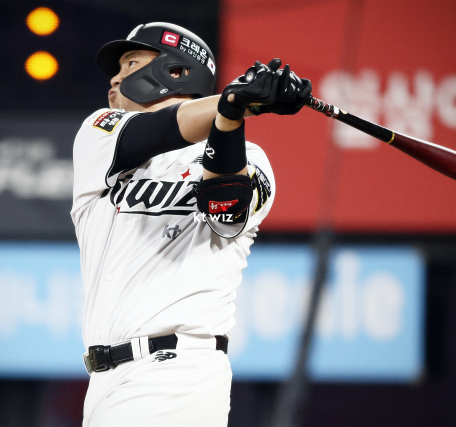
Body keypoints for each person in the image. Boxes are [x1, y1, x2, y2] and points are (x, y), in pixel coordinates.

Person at [71, 22, 311, 427]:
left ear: (177, 72)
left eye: (131, 63)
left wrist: (232, 112)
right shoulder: (99, 132)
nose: (114, 78)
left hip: (178, 372)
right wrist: (235, 102)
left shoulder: (251, 157)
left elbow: (224, 208)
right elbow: (162, 128)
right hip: (103, 383)